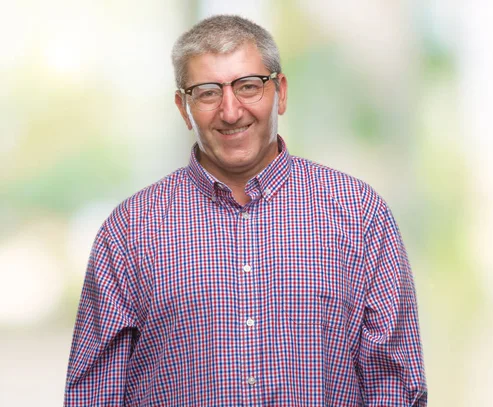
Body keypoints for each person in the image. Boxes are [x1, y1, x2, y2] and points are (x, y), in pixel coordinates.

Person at [64, 14, 427, 406]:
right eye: (207, 92)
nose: (231, 111)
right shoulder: (130, 230)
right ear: (183, 107)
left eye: (248, 87)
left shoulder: (358, 214)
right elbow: (93, 393)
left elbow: (394, 382)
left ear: (281, 92)